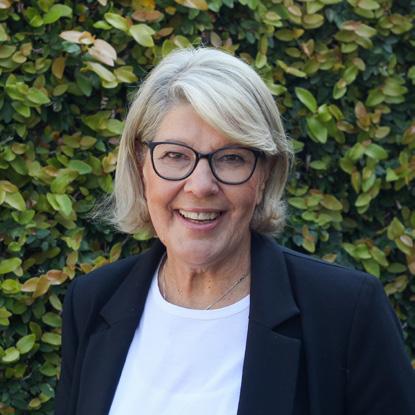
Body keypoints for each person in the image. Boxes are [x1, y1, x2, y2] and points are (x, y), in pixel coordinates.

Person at [54, 48, 415, 415]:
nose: (200, 186)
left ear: (264, 174)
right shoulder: (92, 301)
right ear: (140, 163)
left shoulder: (346, 313)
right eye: (175, 155)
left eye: (231, 158)